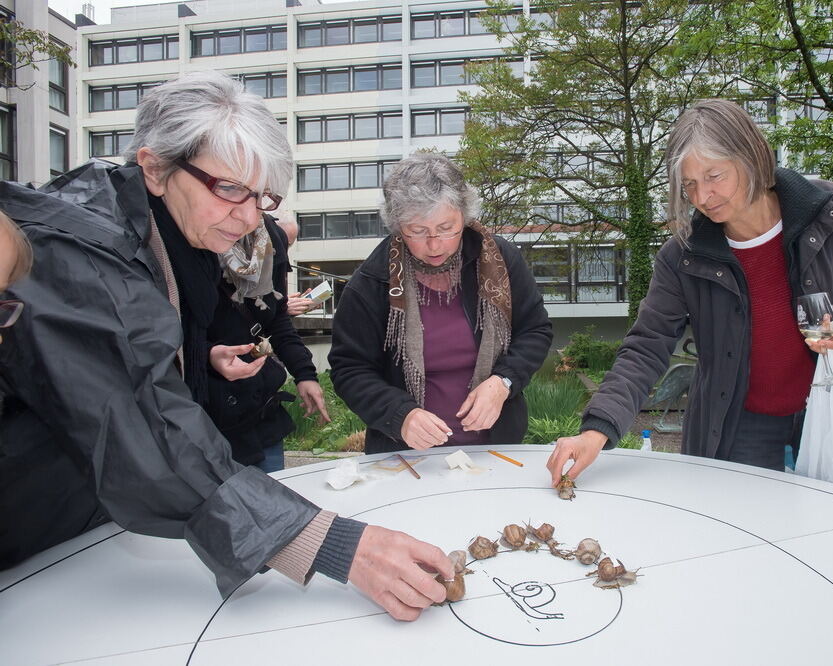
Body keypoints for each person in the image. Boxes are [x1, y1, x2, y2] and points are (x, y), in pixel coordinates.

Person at [0, 71, 452, 620]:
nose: (248, 217)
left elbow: (126, 358)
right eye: (230, 189)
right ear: (155, 167)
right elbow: (137, 421)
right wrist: (328, 543)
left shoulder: (172, 230)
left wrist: (194, 359)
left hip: (81, 530)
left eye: (261, 196)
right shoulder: (78, 250)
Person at [547, 99, 833, 491]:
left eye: (715, 176)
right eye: (689, 184)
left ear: (751, 158)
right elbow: (646, 346)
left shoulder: (831, 209)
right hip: (740, 426)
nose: (702, 197)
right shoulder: (682, 255)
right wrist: (596, 429)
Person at [329, 153, 552, 453]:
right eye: (418, 231)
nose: (434, 245)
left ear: (465, 215)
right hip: (405, 456)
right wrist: (401, 415)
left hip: (496, 449)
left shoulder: (501, 260)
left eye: (447, 228)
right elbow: (350, 370)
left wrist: (504, 382)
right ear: (397, 226)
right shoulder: (371, 282)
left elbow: (535, 330)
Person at [206, 213, 330, 473]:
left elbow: (278, 320)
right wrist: (208, 355)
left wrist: (305, 375)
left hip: (261, 409)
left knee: (274, 499)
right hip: (213, 416)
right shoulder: (199, 249)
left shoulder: (268, 247)